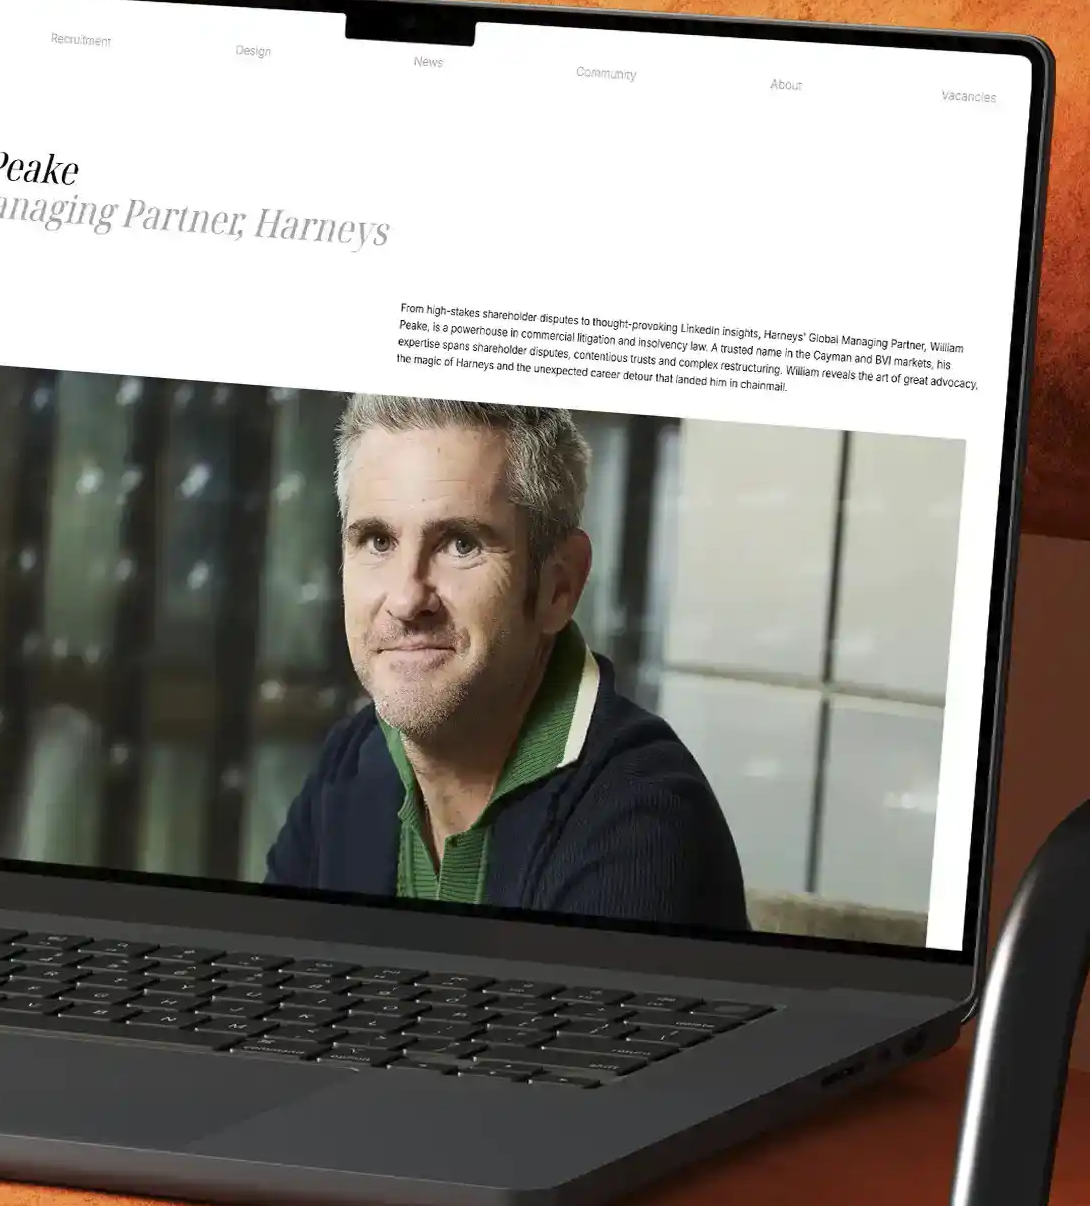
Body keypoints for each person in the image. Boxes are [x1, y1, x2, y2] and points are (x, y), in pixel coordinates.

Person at [264, 395, 750, 930]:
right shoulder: (354, 758)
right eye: (378, 540)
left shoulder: (640, 818)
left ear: (558, 587)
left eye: (460, 543)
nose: (406, 599)